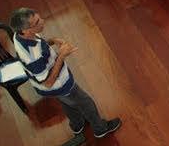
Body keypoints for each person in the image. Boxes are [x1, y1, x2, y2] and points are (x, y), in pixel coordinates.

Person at [9, 8, 121, 138]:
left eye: (40, 18)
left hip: (51, 87)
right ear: (26, 31)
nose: (43, 21)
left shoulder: (18, 36)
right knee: (85, 102)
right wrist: (62, 55)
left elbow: (39, 46)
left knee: (66, 101)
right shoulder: (32, 57)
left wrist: (53, 40)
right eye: (37, 22)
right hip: (58, 84)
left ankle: (77, 125)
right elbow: (49, 82)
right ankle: (100, 129)